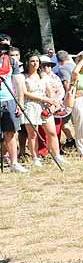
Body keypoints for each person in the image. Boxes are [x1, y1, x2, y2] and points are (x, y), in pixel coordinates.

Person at [21, 54, 65, 168]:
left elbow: (49, 90)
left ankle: (57, 155)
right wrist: (44, 98)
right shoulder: (23, 77)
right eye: (32, 61)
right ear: (27, 62)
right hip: (31, 105)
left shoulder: (43, 76)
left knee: (51, 132)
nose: (35, 63)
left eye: (37, 61)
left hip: (44, 105)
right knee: (32, 134)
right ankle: (35, 158)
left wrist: (51, 103)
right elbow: (25, 93)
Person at [0, 34, 27, 172]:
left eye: (6, 46)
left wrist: (20, 103)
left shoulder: (12, 62)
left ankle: (14, 163)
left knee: (10, 132)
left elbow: (18, 84)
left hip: (9, 99)